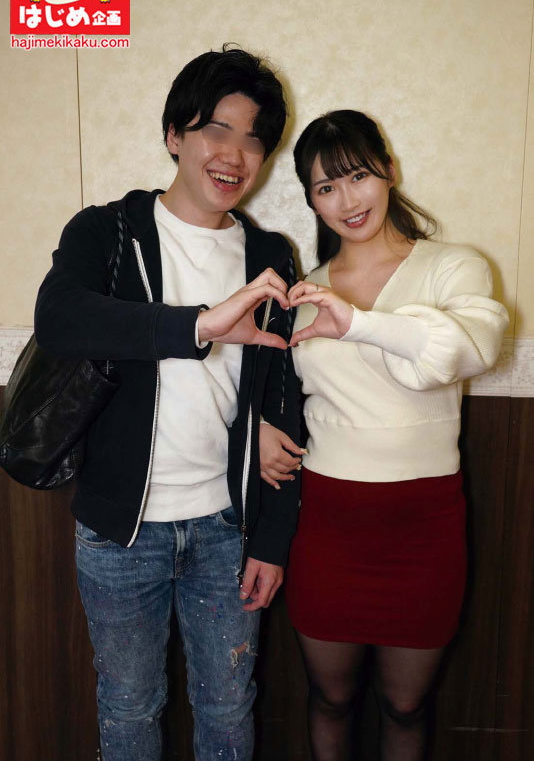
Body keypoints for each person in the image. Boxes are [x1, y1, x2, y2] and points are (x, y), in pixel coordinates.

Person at [34, 47, 302, 761]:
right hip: (121, 534)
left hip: (226, 528)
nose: (234, 154)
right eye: (216, 129)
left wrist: (271, 540)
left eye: (254, 139)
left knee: (229, 706)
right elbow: (59, 320)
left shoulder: (270, 254)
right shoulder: (110, 232)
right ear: (174, 135)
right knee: (129, 706)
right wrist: (198, 326)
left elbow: (282, 395)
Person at [260, 109, 508, 760]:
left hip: (423, 525)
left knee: (405, 707)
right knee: (330, 699)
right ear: (311, 200)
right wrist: (259, 427)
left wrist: (359, 324)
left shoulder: (454, 267)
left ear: (389, 171)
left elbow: (464, 351)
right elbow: (273, 388)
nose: (347, 200)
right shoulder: (304, 292)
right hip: (328, 522)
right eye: (326, 187)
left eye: (358, 176)